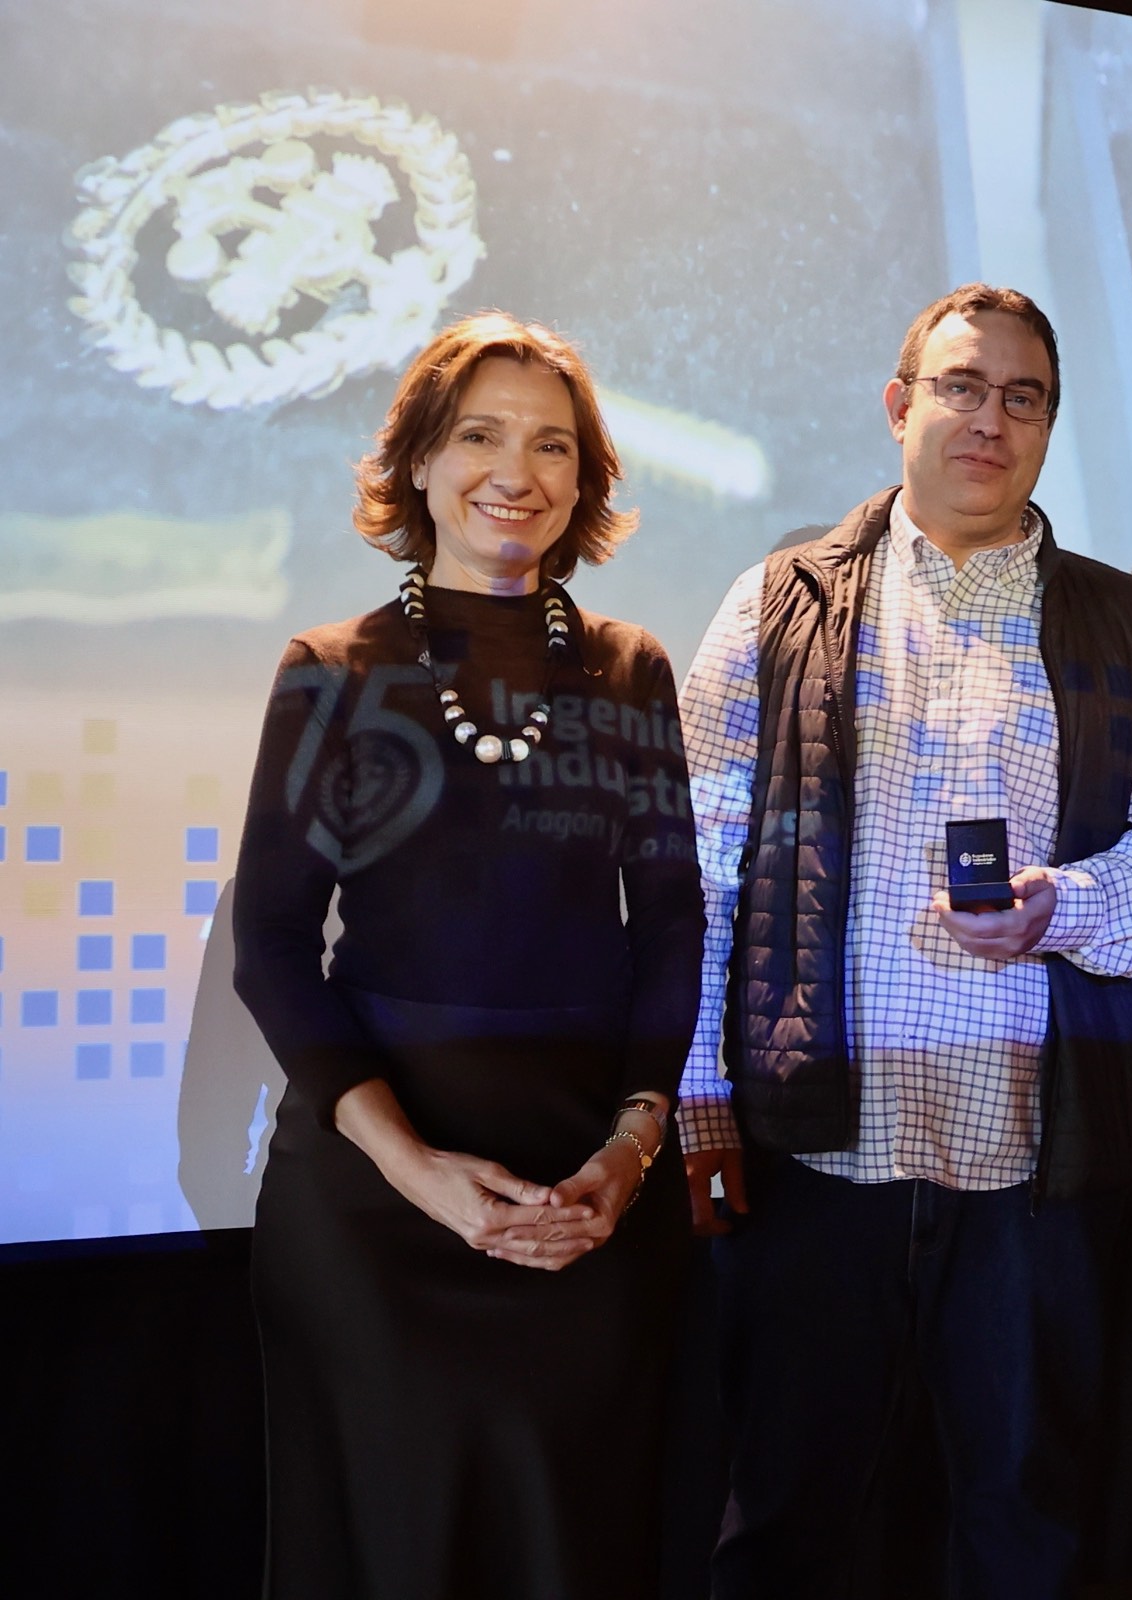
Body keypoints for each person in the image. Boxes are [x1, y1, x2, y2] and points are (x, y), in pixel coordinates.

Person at [676, 283, 1132, 1598]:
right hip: (813, 1141)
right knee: (787, 1518)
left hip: (1038, 1156)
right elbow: (702, 857)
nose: (991, 419)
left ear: (1047, 427)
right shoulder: (777, 601)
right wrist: (699, 1092)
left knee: (1024, 1525)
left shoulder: (1128, 624)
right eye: (962, 387)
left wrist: (1068, 906)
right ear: (900, 404)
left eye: (1022, 398)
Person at [231, 312, 703, 1600]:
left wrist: (629, 1156)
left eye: (553, 445)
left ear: (585, 479)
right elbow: (271, 945)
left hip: (587, 1192)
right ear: (422, 461)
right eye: (481, 435)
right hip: (374, 1197)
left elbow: (671, 925)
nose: (518, 472)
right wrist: (416, 1169)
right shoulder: (332, 671)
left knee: (578, 1547)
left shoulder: (629, 670)